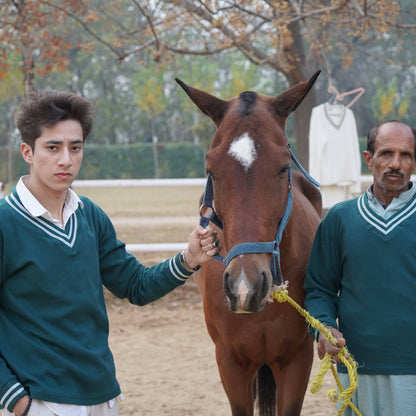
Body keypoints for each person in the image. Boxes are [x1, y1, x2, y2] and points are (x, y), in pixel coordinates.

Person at [0, 90, 219, 416]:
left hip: (103, 395)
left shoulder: (90, 215)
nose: (66, 160)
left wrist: (189, 259)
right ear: (27, 152)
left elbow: (136, 285)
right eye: (52, 148)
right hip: (40, 400)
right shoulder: (5, 222)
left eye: (75, 148)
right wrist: (17, 400)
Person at [304, 120, 416, 415]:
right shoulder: (340, 218)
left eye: (406, 155)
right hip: (354, 368)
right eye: (386, 153)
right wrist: (324, 327)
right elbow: (319, 289)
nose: (396, 163)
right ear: (369, 159)